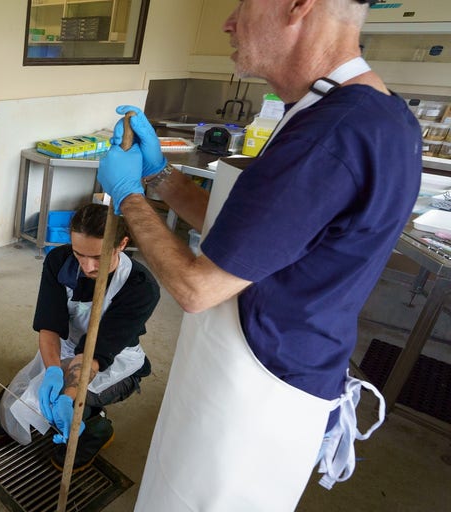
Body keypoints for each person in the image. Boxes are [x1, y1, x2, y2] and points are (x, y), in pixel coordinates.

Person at [96, 1, 419, 509]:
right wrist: (161, 176)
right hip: (277, 368)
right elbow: (256, 236)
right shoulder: (366, 111)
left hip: (256, 391)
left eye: (243, 4)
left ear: (298, 6)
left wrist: (127, 195)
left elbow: (196, 287)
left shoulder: (332, 133)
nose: (228, 21)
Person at [0, 203, 159, 472]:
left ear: (122, 244)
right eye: (80, 254)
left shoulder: (140, 287)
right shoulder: (59, 261)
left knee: (67, 405)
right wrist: (53, 371)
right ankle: (71, 404)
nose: (88, 266)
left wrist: (68, 394)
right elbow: (50, 327)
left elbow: (95, 353)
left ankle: (96, 427)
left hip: (110, 362)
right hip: (66, 349)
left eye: (98, 257)